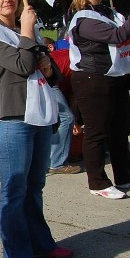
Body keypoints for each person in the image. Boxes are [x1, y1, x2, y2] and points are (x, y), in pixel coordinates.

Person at [0, 0, 73, 258]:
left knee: (35, 186)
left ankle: (41, 243)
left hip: (40, 115)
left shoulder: (23, 30)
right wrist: (29, 33)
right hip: (12, 119)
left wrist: (49, 64)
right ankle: (16, 253)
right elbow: (20, 66)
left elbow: (50, 72)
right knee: (14, 188)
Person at [66, 0, 130, 199]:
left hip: (115, 78)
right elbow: (117, 36)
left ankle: (126, 175)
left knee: (119, 131)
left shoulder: (109, 12)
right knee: (96, 134)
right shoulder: (84, 18)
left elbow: (129, 32)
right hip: (92, 79)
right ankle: (97, 183)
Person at [42, 37, 81, 175]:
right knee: (67, 118)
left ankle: (49, 159)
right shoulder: (80, 61)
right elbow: (75, 94)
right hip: (47, 81)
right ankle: (56, 163)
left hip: (44, 80)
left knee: (54, 120)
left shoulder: (70, 54)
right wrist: (75, 121)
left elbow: (71, 94)